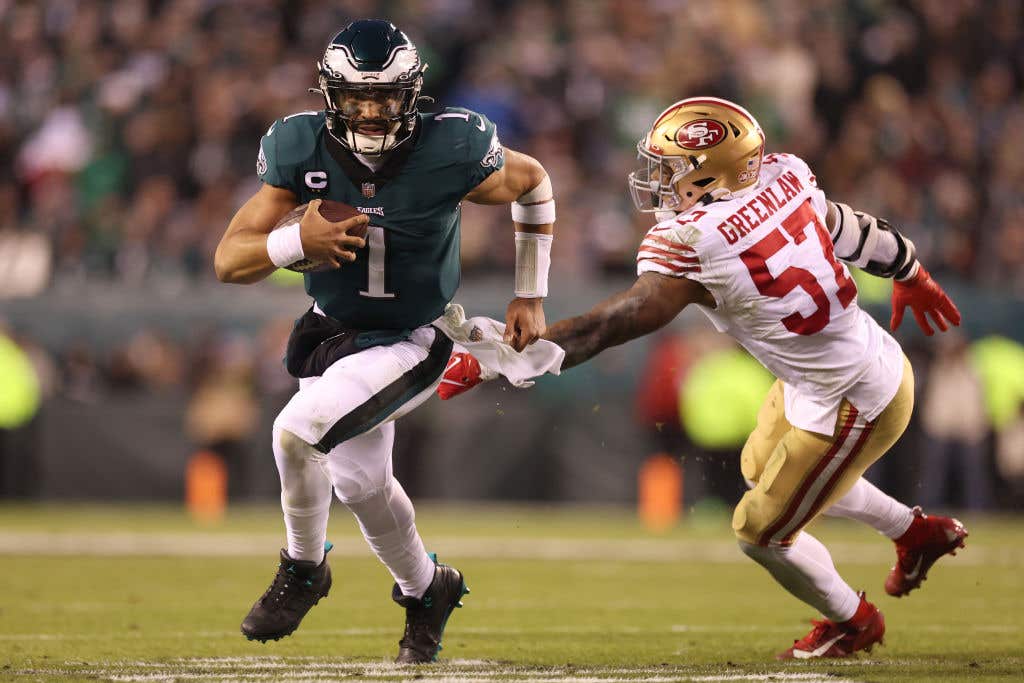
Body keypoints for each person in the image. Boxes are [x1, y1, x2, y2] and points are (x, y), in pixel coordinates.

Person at [441, 97, 968, 659]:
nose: (660, 181)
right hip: (835, 371)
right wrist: (911, 269)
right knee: (760, 470)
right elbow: (848, 227)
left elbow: (608, 327)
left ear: (712, 171)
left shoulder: (698, 242)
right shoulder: (782, 177)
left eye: (671, 169)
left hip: (857, 399)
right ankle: (915, 534)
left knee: (761, 532)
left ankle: (854, 621)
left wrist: (500, 359)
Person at [214, 19, 556, 664]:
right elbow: (229, 261)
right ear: (330, 95)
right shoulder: (298, 147)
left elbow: (533, 180)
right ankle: (429, 590)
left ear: (413, 95)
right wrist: (296, 244)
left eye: (387, 97)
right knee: (363, 485)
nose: (371, 112)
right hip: (330, 335)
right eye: (356, 98)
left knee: (296, 434)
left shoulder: (454, 145)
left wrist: (530, 291)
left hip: (411, 336)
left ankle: (303, 567)